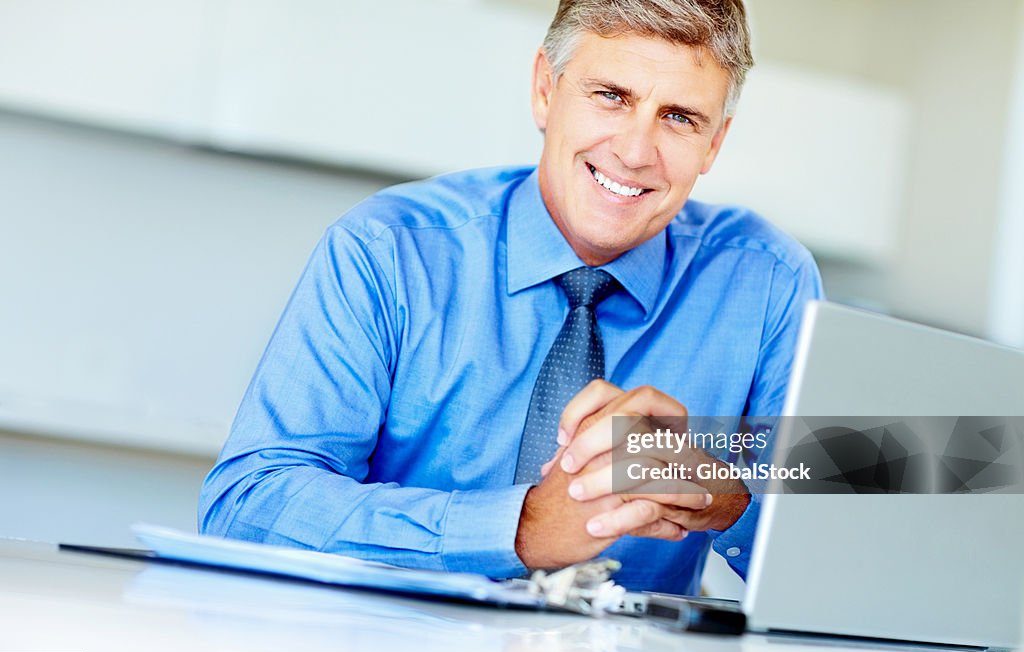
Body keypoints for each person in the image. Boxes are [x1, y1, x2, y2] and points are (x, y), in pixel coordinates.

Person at [198, 0, 823, 594]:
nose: (635, 153)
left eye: (680, 118)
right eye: (611, 97)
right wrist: (519, 528)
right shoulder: (390, 250)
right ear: (545, 90)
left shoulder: (767, 282)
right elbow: (249, 503)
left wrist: (727, 492)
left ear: (715, 143)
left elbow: (878, 491)